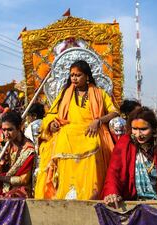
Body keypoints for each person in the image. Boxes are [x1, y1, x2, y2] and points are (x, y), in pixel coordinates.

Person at [35, 60, 118, 200]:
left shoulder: (100, 93)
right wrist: (52, 124)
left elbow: (114, 112)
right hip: (67, 132)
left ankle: (91, 194)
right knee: (60, 144)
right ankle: (66, 193)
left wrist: (98, 121)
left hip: (91, 130)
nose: (74, 78)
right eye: (72, 75)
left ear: (87, 76)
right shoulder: (64, 94)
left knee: (94, 146)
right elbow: (51, 114)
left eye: (78, 75)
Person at [102, 107, 157, 208]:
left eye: (143, 129)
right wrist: (112, 192)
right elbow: (113, 174)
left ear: (154, 129)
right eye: (135, 129)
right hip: (131, 203)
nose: (138, 135)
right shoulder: (124, 144)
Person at [0, 111, 37, 198]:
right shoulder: (8, 143)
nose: (6, 134)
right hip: (7, 185)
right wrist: (1, 162)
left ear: (19, 127)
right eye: (4, 130)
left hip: (21, 191)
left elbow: (24, 180)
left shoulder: (28, 150)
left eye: (10, 129)